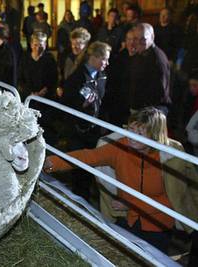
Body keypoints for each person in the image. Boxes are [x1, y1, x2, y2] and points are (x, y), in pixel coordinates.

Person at [44, 107, 198, 254]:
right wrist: (52, 163)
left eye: (140, 132)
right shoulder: (120, 147)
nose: (132, 136)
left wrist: (131, 204)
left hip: (158, 226)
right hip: (126, 219)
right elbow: (87, 156)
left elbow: (173, 200)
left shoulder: (171, 160)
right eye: (131, 129)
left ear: (154, 135)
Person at [61, 41, 111, 201]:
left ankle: (86, 198)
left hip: (93, 129)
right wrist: (81, 105)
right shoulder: (76, 78)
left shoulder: (102, 76)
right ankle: (78, 201)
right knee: (78, 167)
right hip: (77, 131)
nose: (107, 63)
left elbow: (103, 100)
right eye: (104, 59)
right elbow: (65, 104)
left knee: (90, 165)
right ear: (94, 57)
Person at [19, 32, 58, 144]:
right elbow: (20, 79)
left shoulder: (49, 59)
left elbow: (54, 78)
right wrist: (30, 93)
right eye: (35, 44)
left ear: (45, 45)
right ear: (31, 45)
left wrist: (44, 91)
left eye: (41, 44)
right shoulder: (24, 59)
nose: (38, 48)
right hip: (29, 97)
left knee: (45, 125)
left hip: (45, 98)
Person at [129, 23, 171, 114]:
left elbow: (159, 92)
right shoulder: (140, 54)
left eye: (143, 39)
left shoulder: (157, 59)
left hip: (150, 112)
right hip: (140, 108)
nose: (138, 42)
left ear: (152, 37)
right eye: (136, 38)